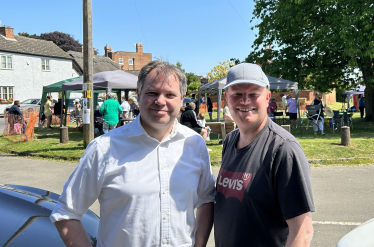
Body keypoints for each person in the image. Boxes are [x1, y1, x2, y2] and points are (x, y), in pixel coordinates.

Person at [50, 60, 215, 247]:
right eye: (152, 93)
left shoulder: (194, 144)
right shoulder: (104, 148)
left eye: (170, 94)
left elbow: (206, 199)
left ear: (182, 98)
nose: (160, 101)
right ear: (138, 93)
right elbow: (66, 213)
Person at [214, 63, 314, 247]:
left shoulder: (284, 149)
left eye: (253, 94)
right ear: (226, 99)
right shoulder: (229, 141)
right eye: (237, 94)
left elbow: (303, 232)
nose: (245, 101)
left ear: (267, 98)